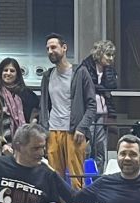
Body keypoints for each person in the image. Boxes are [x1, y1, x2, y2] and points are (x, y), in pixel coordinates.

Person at [38, 33, 97, 190]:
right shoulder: (47, 76)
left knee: (76, 177)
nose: (50, 51)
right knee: (54, 177)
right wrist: (44, 130)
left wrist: (82, 128)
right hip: (52, 131)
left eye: (53, 47)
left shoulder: (80, 72)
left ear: (64, 48)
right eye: (48, 48)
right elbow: (43, 106)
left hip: (74, 132)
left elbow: (92, 104)